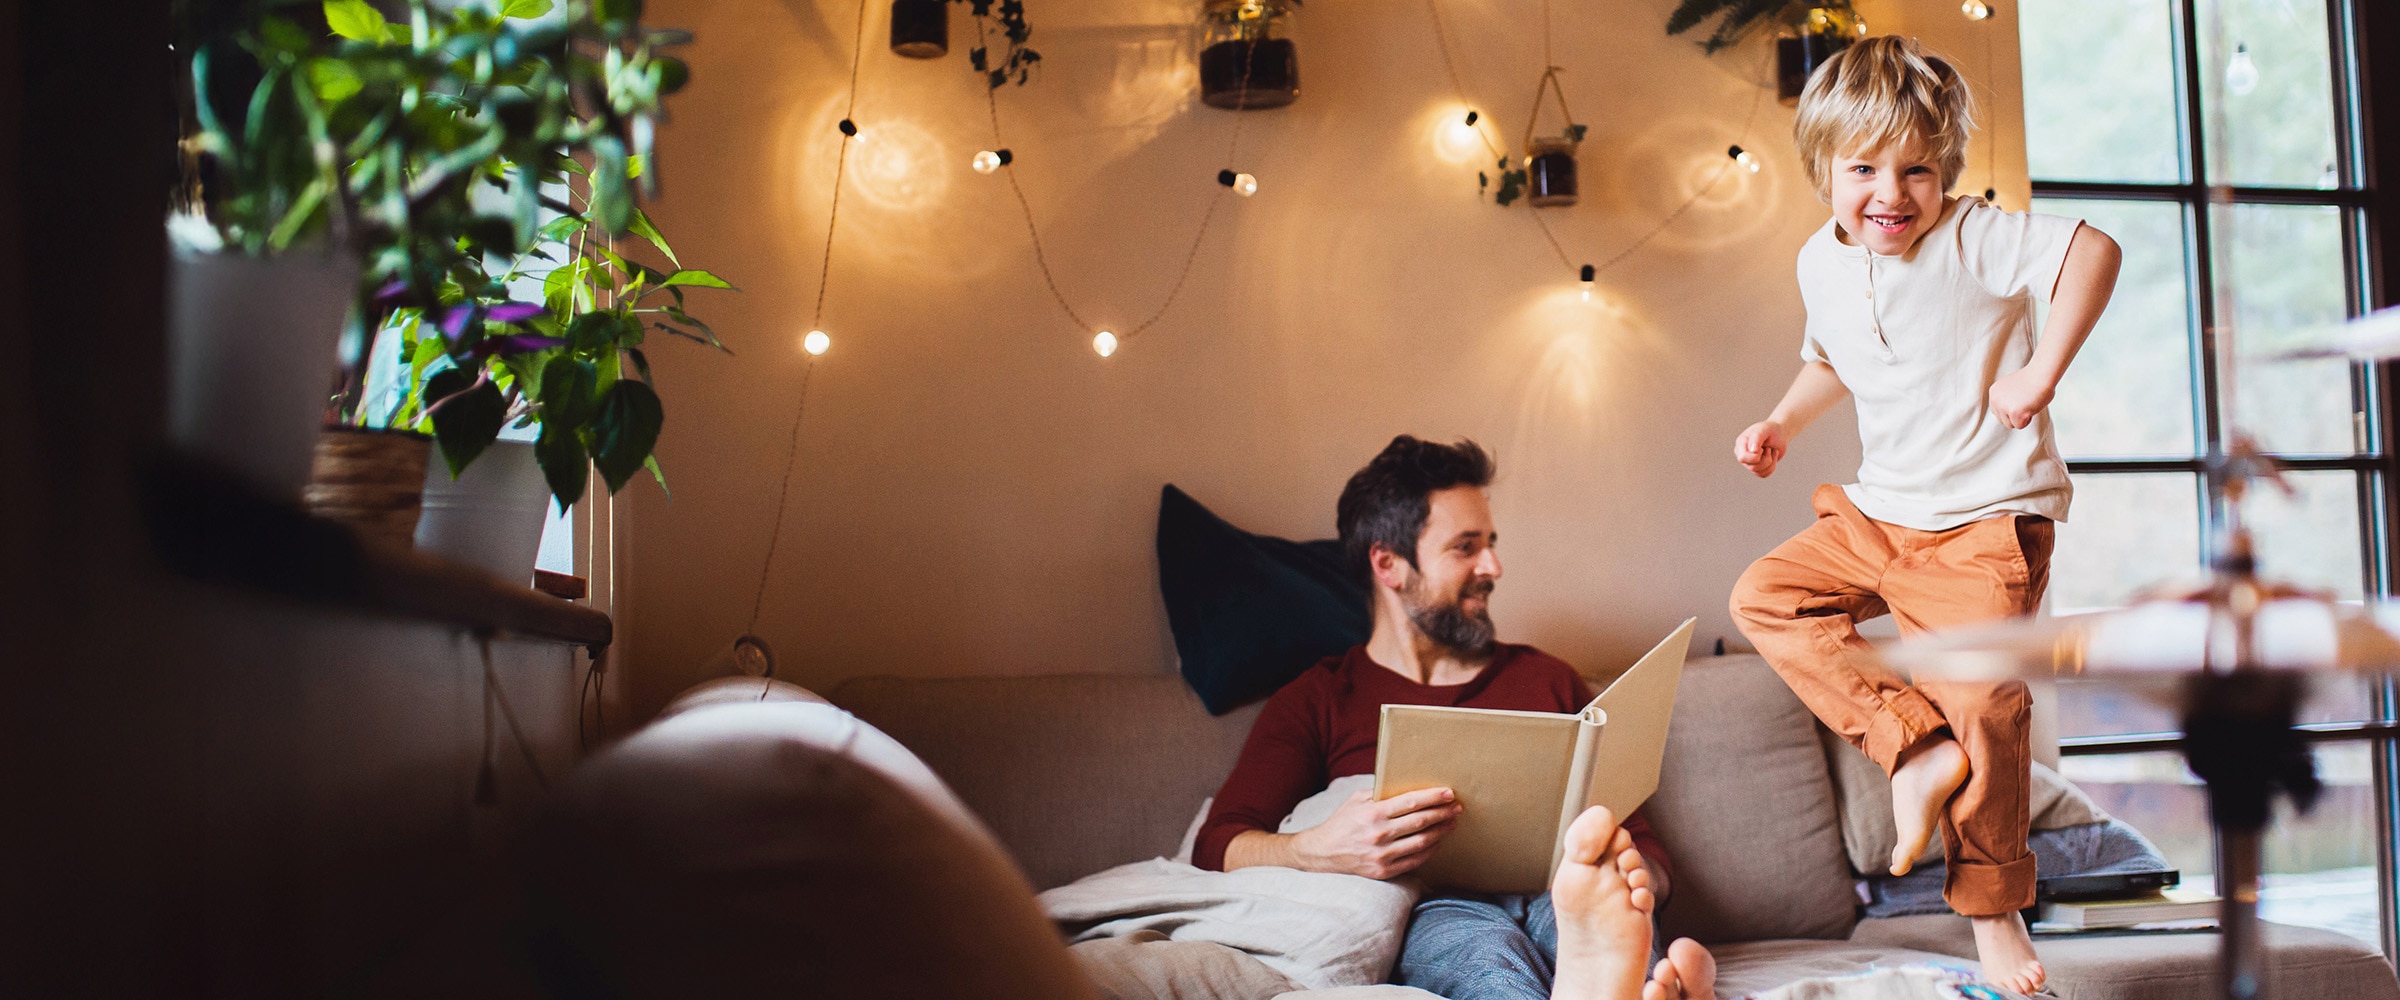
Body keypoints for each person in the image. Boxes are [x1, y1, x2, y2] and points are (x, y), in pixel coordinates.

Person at [1726, 36, 2122, 996]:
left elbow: (2093, 252)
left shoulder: (1974, 236)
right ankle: (1915, 749)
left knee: (1986, 703)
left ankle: (1993, 915)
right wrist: (1782, 418)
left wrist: (2040, 371)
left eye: (1918, 169)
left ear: (1947, 172)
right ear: (1822, 170)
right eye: (1862, 169)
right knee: (1766, 597)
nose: (1889, 194)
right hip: (1881, 512)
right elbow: (1832, 358)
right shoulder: (1821, 259)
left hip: (1985, 522)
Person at [1192, 434, 1715, 1000]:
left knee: (1591, 918)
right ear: (1389, 564)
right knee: (1480, 956)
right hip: (1433, 901)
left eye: (1490, 543)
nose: (1494, 565)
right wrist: (1315, 849)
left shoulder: (1548, 679)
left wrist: (1632, 876)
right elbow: (1216, 843)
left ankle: (1613, 967)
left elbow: (1643, 844)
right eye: (1466, 547)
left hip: (1563, 888)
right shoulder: (1320, 698)